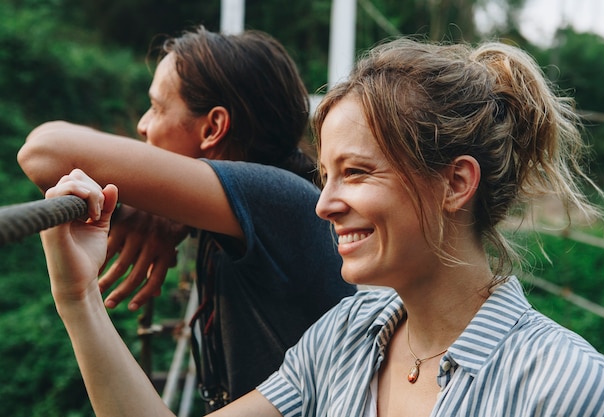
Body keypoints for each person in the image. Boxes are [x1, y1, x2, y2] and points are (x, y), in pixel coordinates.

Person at [36, 36, 604, 417]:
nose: (322, 204)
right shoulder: (343, 339)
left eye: (357, 172)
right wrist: (78, 297)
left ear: (455, 183)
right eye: (325, 175)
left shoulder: (563, 387)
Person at [17, 26, 355, 411]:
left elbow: (43, 151)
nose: (143, 125)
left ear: (213, 127)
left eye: (158, 107)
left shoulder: (278, 198)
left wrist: (154, 203)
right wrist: (165, 210)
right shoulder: (261, 209)